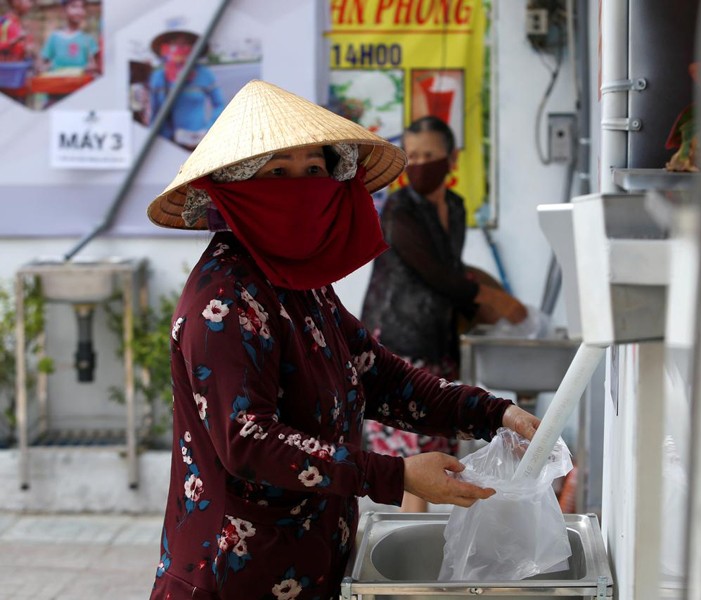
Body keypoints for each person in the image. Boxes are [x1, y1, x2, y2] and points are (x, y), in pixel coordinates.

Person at [145, 79, 540, 600]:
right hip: (232, 578)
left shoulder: (301, 283)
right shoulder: (224, 300)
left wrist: (493, 414)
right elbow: (249, 440)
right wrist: (394, 474)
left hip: (311, 564)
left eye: (314, 170)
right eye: (277, 172)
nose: (302, 186)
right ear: (235, 189)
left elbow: (380, 376)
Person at [361, 116, 528, 512]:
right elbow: (437, 274)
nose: (419, 164)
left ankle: (420, 546)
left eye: (429, 155)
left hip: (439, 338)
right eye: (412, 156)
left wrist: (481, 300)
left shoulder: (454, 206)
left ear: (451, 158)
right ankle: (410, 551)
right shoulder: (399, 210)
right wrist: (489, 297)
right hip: (399, 338)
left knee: (439, 446)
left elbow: (452, 270)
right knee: (414, 462)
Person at [148, 29, 224, 149]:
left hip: (199, 142)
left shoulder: (204, 74)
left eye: (185, 44)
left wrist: (208, 130)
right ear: (166, 48)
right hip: (166, 143)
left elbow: (220, 106)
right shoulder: (158, 77)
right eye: (175, 44)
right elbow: (153, 113)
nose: (179, 49)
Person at [38, 0, 98, 74]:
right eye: (74, 6)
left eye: (82, 7)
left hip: (81, 83)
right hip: (58, 83)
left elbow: (95, 66)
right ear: (63, 10)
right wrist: (44, 68)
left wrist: (92, 67)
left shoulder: (88, 39)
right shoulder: (54, 38)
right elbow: (41, 64)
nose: (79, 11)